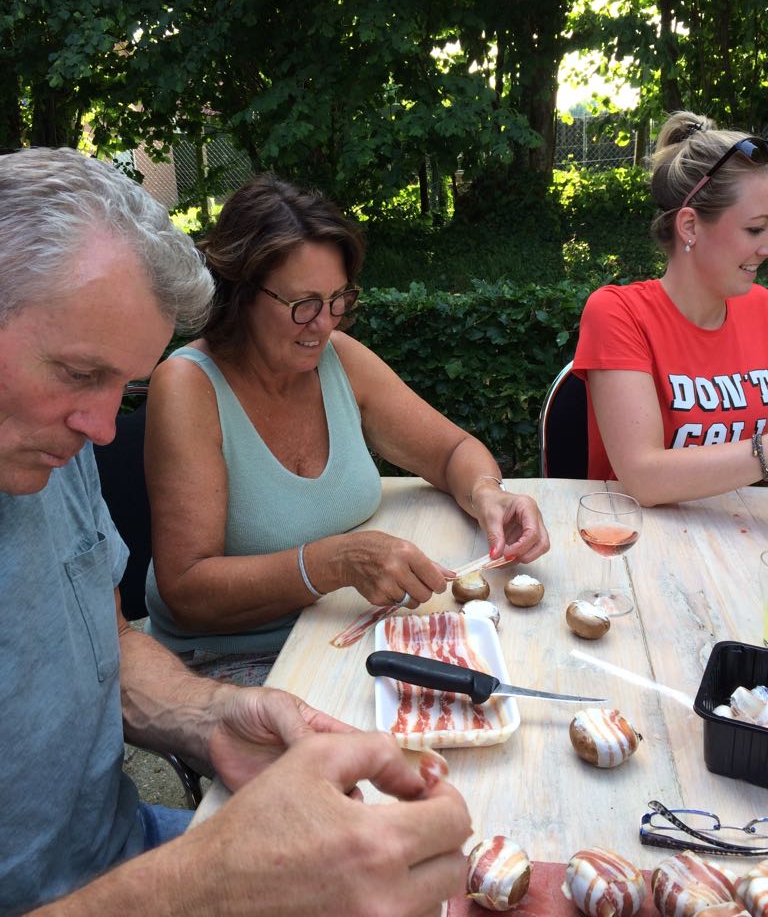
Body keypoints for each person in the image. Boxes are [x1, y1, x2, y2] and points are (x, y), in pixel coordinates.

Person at [0, 147, 472, 916]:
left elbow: (107, 644)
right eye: (81, 374)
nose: (104, 428)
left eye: (122, 386)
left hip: (123, 848)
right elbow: (186, 590)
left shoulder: (57, 452)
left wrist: (211, 719)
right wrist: (205, 882)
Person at [143, 174, 550, 681]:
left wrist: (489, 494)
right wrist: (333, 563)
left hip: (342, 630)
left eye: (338, 299)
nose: (325, 323)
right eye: (304, 304)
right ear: (240, 292)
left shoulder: (337, 359)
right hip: (227, 661)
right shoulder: (188, 386)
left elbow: (451, 452)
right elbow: (187, 592)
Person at [573, 110, 768, 506]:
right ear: (690, 226)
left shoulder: (762, 308)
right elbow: (644, 477)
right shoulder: (618, 313)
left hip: (743, 533)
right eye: (755, 229)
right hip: (639, 537)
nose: (765, 248)